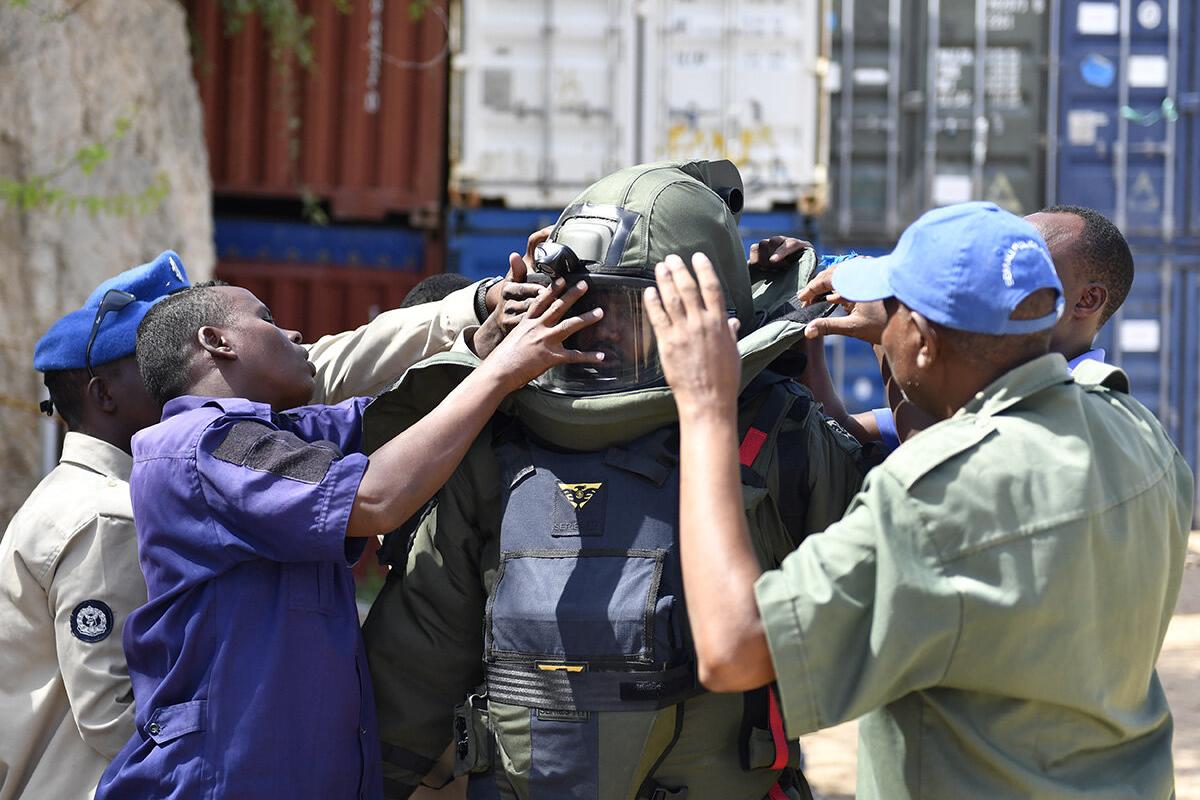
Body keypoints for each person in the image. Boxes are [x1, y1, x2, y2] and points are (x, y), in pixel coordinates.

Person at [645, 201, 1193, 799]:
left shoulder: (937, 497)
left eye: (894, 311)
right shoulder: (1140, 433)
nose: (882, 323)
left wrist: (706, 406)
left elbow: (733, 649)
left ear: (924, 342)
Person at [362, 160, 868, 800]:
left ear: (701, 313)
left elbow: (893, 584)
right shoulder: (495, 439)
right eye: (587, 303)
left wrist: (807, 346)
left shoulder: (777, 430)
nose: (602, 327)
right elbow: (416, 662)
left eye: (633, 309)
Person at [0, 251, 531, 800]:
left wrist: (481, 342)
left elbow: (376, 408)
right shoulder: (198, 449)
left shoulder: (259, 436)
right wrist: (501, 372)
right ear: (215, 342)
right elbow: (376, 497)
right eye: (268, 320)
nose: (297, 334)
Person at [793, 204, 1135, 449]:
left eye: (1025, 262)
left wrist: (891, 335)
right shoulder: (989, 379)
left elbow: (939, 475)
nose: (997, 271)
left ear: (1087, 300)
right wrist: (803, 322)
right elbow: (844, 432)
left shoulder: (1081, 409)